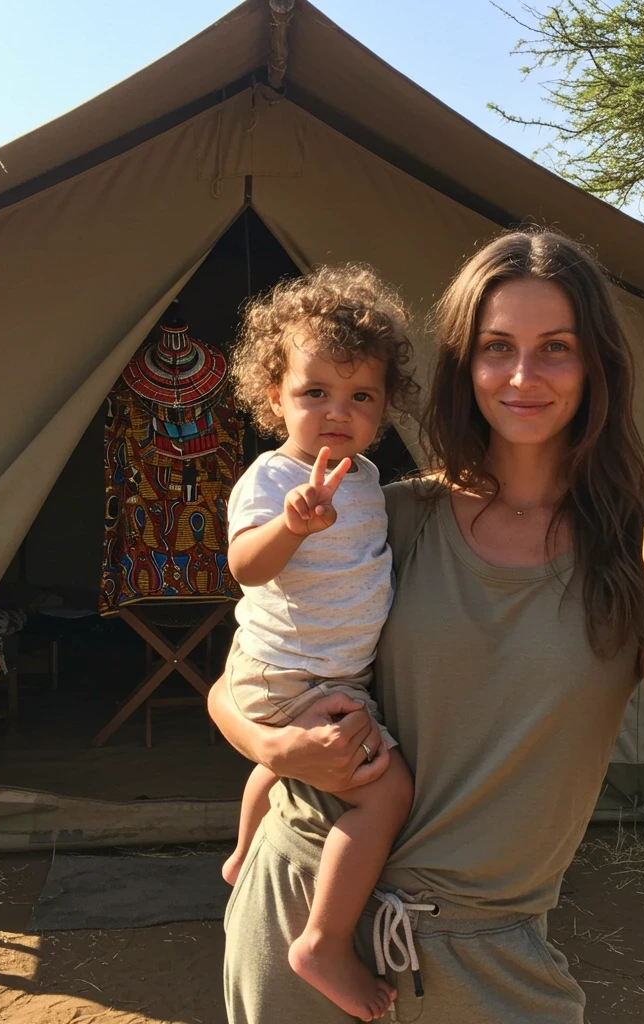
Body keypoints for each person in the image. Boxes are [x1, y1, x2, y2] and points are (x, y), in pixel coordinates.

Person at [208, 228, 644, 1023]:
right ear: (465, 364)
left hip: (488, 959)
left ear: (597, 363)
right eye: (498, 346)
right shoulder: (390, 517)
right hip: (303, 898)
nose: (523, 375)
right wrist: (275, 749)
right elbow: (235, 682)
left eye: (556, 346)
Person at [221, 265, 418, 1021]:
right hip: (288, 674)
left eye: (360, 396)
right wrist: (292, 527)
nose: (338, 413)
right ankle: (323, 943)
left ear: (384, 406)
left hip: (319, 671)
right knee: (386, 791)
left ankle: (242, 853)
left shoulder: (368, 477)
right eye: (315, 394)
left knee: (279, 769)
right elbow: (244, 566)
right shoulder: (272, 479)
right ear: (274, 398)